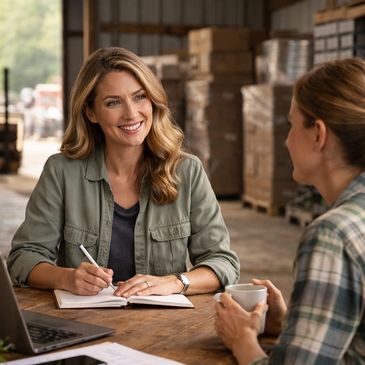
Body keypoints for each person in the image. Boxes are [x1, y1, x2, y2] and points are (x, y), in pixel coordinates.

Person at [7, 47, 240, 297]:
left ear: (153, 100)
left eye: (139, 97)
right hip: (85, 321)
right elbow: (23, 258)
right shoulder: (62, 172)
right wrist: (66, 277)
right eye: (113, 102)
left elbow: (223, 263)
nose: (131, 113)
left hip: (165, 324)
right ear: (91, 112)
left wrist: (175, 282)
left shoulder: (187, 171)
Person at [215, 58, 365, 364]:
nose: (285, 140)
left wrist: (241, 338)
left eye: (291, 125)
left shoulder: (333, 234)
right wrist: (291, 324)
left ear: (318, 134)